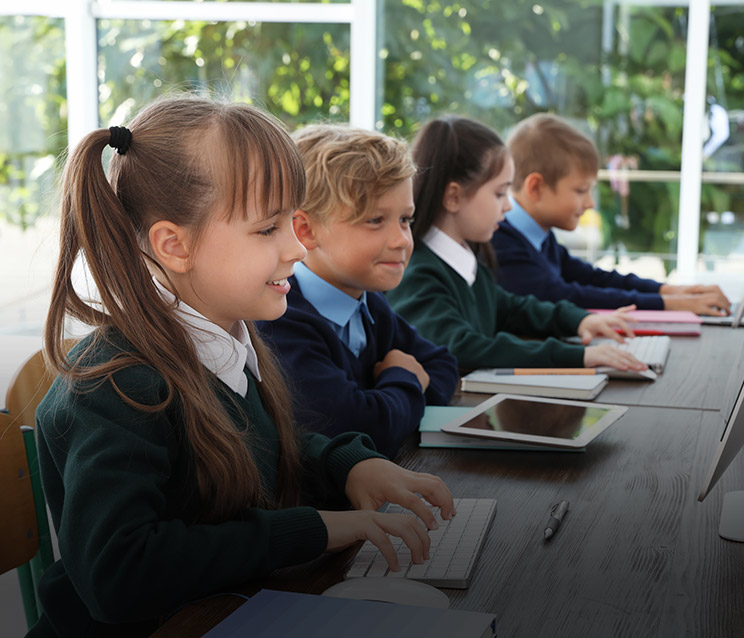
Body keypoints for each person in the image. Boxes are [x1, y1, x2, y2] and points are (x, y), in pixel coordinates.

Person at [32, 97, 453, 638]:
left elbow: (264, 445)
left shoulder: (225, 339)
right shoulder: (118, 383)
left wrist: (348, 465)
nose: (298, 248)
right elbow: (119, 574)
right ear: (174, 246)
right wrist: (312, 530)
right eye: (268, 229)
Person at [385, 115, 647, 373]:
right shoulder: (418, 273)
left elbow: (511, 308)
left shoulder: (467, 261)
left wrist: (580, 320)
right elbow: (461, 346)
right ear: (453, 196)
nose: (508, 205)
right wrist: (578, 356)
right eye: (500, 193)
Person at [256, 124, 458, 458]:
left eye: (405, 220)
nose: (402, 240)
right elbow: (362, 430)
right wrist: (403, 378)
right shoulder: (283, 321)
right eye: (375, 220)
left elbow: (442, 364)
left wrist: (390, 404)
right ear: (305, 230)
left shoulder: (371, 305)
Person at [492, 112, 732, 316]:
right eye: (581, 190)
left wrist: (668, 291)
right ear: (535, 187)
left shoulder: (538, 238)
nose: (589, 203)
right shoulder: (503, 246)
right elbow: (566, 297)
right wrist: (669, 304)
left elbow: (592, 278)